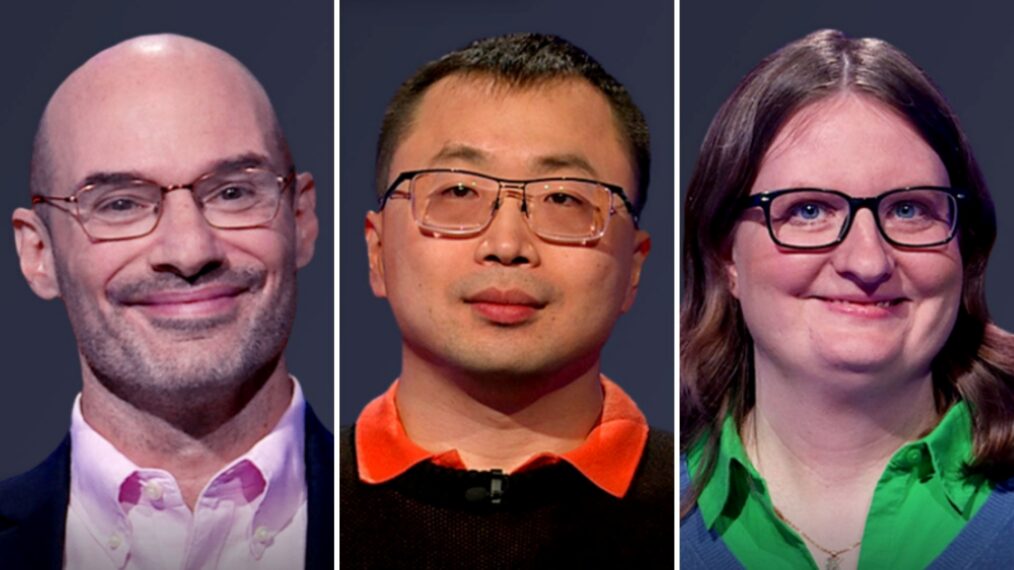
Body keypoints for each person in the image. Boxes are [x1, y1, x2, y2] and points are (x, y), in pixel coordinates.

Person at [681, 29, 1014, 569]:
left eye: (909, 209)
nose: (868, 262)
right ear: (725, 257)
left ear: (964, 244)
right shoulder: (633, 529)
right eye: (808, 210)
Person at [340, 33, 673, 568]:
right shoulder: (289, 511)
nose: (506, 246)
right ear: (377, 251)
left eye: (563, 198)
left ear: (634, 266)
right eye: (458, 192)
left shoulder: (702, 513)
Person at [0, 35, 331, 569]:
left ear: (301, 220)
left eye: (232, 192)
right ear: (38, 253)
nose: (189, 251)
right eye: (120, 204)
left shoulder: (446, 537)